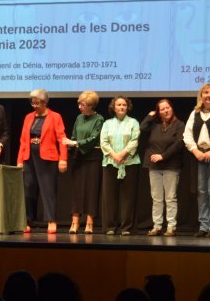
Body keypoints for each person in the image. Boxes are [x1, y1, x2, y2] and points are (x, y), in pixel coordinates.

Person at [17, 89, 68, 233]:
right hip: (29, 157)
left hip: (48, 158)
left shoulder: (55, 117)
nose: (34, 105)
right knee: (29, 189)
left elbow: (62, 139)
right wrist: (20, 160)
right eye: (32, 103)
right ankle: (28, 220)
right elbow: (23, 140)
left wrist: (63, 158)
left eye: (37, 103)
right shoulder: (28, 117)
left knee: (48, 189)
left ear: (45, 103)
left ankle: (51, 220)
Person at [183, 83, 210, 238]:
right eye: (206, 92)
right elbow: (187, 134)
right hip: (198, 156)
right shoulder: (195, 113)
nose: (209, 95)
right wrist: (196, 151)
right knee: (201, 191)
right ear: (201, 96)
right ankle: (203, 225)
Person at [62, 91, 104, 234]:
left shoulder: (99, 119)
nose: (80, 106)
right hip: (79, 158)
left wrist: (75, 143)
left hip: (93, 158)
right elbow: (73, 135)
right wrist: (70, 145)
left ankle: (89, 223)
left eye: (83, 104)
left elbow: (94, 138)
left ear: (91, 105)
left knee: (91, 190)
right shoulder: (79, 118)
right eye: (79, 104)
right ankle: (75, 222)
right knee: (77, 191)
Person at [142, 99, 184, 237]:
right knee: (156, 198)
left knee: (170, 198)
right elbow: (141, 129)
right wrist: (149, 116)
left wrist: (163, 156)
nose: (165, 111)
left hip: (171, 165)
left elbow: (178, 144)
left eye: (168, 108)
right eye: (162, 109)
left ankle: (171, 227)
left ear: (172, 109)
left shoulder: (179, 125)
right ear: (158, 112)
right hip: (154, 166)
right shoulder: (154, 125)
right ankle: (157, 226)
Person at [100, 96, 140, 236]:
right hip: (111, 163)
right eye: (119, 105)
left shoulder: (133, 122)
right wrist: (114, 155)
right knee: (109, 197)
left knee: (128, 197)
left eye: (124, 105)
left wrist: (122, 154)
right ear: (114, 107)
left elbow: (135, 140)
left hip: (129, 163)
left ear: (127, 107)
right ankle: (110, 226)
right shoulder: (107, 123)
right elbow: (103, 142)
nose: (121, 107)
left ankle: (126, 227)